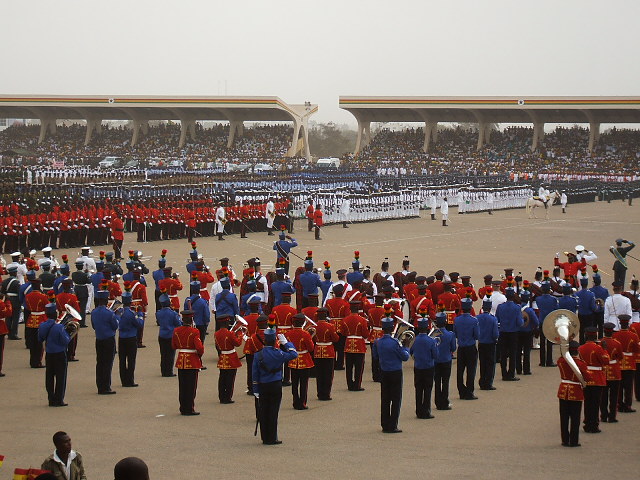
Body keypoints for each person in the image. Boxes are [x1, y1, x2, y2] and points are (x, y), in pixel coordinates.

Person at [252, 326, 298, 445]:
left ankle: (265, 437)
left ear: (265, 340)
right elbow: (294, 354)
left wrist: (255, 388)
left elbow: (255, 373)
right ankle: (272, 437)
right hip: (275, 384)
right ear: (274, 341)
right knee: (273, 411)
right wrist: (286, 343)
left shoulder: (258, 355)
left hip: (263, 385)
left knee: (263, 411)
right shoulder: (279, 353)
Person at [372, 313, 410, 433]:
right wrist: (406, 347)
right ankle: (393, 425)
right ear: (392, 327)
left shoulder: (377, 342)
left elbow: (375, 356)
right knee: (396, 399)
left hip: (384, 372)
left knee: (385, 399)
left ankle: (384, 424)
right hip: (395, 372)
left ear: (383, 329)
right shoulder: (395, 343)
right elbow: (404, 357)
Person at [38, 297, 71, 406]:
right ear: (55, 314)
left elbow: (40, 338)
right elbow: (65, 341)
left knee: (49, 376)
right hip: (60, 353)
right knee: (61, 377)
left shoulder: (42, 325)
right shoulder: (59, 327)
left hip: (49, 353)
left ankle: (51, 399)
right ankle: (59, 399)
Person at [172, 310, 205, 415]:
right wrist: (199, 355)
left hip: (181, 360)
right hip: (192, 360)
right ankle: (189, 408)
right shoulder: (195, 331)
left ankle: (182, 407)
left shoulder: (176, 330)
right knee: (191, 387)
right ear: (191, 320)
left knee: (182, 386)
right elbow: (199, 348)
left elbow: (174, 345)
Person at [557, 341, 588, 447]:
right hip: (576, 390)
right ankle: (574, 440)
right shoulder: (581, 364)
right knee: (575, 418)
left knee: (564, 417)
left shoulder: (561, 361)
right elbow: (587, 377)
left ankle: (565, 440)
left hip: (563, 390)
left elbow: (561, 358)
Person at [578, 327, 610, 433]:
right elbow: (606, 361)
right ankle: (594, 425)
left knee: (587, 402)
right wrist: (605, 349)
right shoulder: (598, 348)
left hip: (586, 377)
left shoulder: (581, 348)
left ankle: (587, 423)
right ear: (595, 336)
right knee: (595, 403)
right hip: (597, 377)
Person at [92, 287, 119, 394]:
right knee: (107, 364)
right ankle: (106, 386)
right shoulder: (109, 313)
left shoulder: (94, 312)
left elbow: (94, 326)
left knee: (100, 363)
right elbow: (115, 325)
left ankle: (100, 385)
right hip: (108, 339)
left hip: (99, 339)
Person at [410, 312, 438, 419]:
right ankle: (426, 411)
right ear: (427, 328)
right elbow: (435, 354)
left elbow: (411, 352)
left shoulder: (415, 340)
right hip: (428, 367)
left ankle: (418, 410)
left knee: (418, 389)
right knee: (427, 389)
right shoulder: (431, 341)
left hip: (418, 367)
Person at [340, 300, 369, 391]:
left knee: (349, 366)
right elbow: (365, 334)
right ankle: (357, 385)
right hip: (359, 345)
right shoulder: (362, 320)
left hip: (348, 343)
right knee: (359, 367)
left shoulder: (345, 320)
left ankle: (350, 385)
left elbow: (343, 333)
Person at [454, 297, 479, 399]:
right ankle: (469, 392)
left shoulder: (457, 319)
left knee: (460, 371)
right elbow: (477, 335)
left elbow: (455, 333)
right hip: (470, 347)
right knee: (471, 370)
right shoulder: (474, 320)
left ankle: (461, 391)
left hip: (461, 347)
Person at [613, 315, 639, 412]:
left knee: (619, 385)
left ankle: (619, 404)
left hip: (618, 363)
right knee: (628, 386)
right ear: (628, 324)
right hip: (630, 362)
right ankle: (627, 405)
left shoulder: (615, 335)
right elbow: (637, 349)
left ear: (620, 323)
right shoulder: (633, 336)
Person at [214, 314, 243, 404]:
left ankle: (221, 396)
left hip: (222, 356)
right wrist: (240, 335)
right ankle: (227, 397)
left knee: (222, 377)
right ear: (226, 322)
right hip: (231, 357)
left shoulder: (216, 334)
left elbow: (218, 346)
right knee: (230, 379)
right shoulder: (230, 333)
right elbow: (237, 343)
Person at [118, 290, 144, 387]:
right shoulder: (132, 313)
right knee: (131, 360)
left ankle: (123, 380)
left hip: (121, 338)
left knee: (122, 360)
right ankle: (130, 380)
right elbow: (139, 324)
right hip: (131, 338)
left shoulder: (119, 312)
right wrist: (140, 314)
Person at [313, 307, 339, 401]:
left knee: (319, 374)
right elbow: (336, 338)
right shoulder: (330, 326)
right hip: (328, 351)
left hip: (318, 350)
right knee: (328, 374)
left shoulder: (314, 326)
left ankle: (320, 393)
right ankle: (326, 394)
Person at [433, 312, 457, 410]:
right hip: (446, 360)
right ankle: (445, 402)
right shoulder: (450, 334)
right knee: (445, 382)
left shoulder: (433, 335)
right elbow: (453, 348)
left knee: (437, 381)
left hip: (436, 361)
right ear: (445, 322)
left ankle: (438, 402)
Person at [600, 322, 623, 423]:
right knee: (614, 396)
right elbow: (621, 357)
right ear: (612, 332)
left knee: (603, 396)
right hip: (614, 370)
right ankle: (612, 416)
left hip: (603, 372)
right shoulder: (617, 343)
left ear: (604, 331)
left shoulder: (600, 343)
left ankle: (604, 415)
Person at [156, 292, 181, 377]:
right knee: (170, 354)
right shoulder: (173, 313)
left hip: (162, 335)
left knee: (163, 354)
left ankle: (163, 370)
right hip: (170, 335)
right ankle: (169, 371)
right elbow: (178, 323)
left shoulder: (158, 313)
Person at [477, 297, 499, 390]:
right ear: (490, 308)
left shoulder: (477, 318)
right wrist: (496, 339)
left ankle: (482, 381)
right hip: (490, 343)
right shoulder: (493, 319)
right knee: (490, 363)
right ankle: (488, 382)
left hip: (481, 342)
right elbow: (495, 333)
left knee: (482, 363)